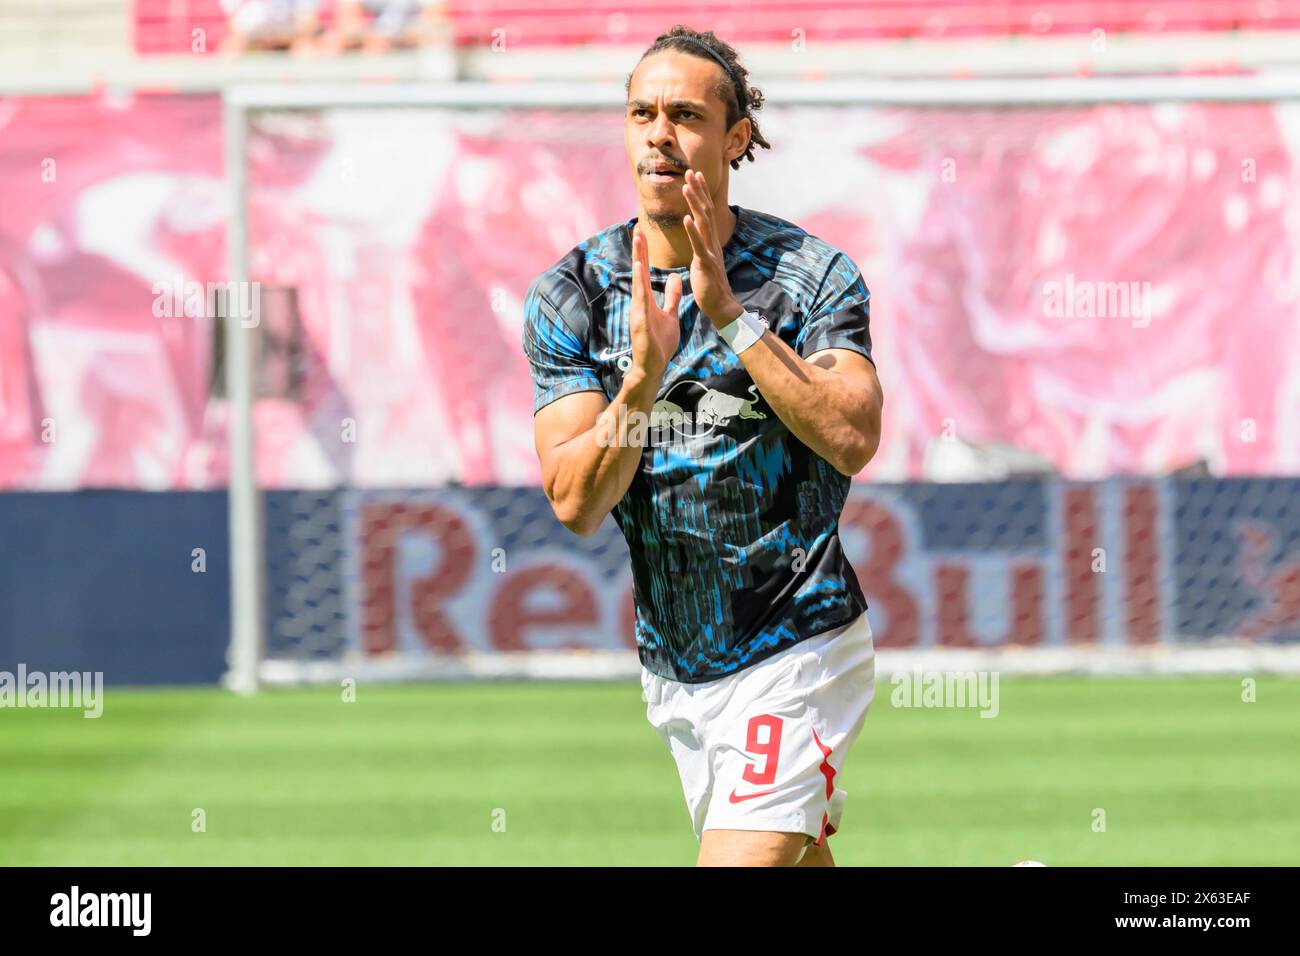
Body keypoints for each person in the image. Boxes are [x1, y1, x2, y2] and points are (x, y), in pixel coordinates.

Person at [522, 25, 884, 867]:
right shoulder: (573, 294)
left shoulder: (810, 275)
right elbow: (574, 502)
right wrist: (641, 385)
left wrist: (731, 318)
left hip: (798, 640)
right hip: (679, 667)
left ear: (735, 137)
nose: (658, 132)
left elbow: (853, 434)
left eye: (684, 114)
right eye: (641, 112)